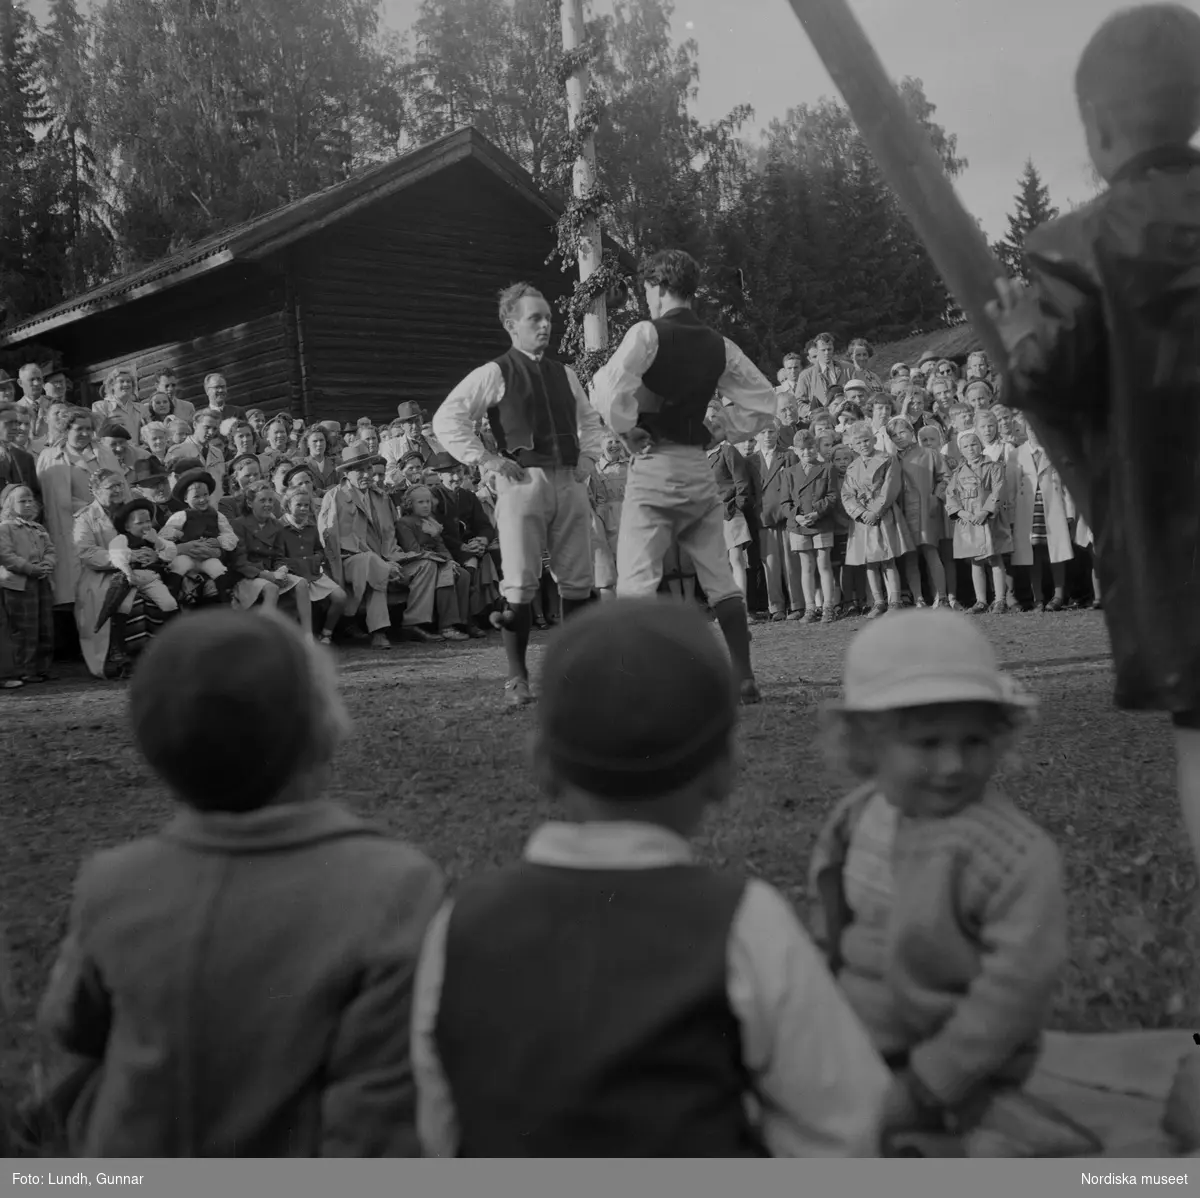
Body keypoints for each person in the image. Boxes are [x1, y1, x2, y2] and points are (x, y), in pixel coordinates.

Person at [411, 597, 890, 1156]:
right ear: (724, 771)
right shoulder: (746, 923)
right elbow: (848, 1127)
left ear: (541, 763)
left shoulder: (459, 923)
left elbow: (439, 1125)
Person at [36, 609, 444, 1155]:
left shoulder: (110, 883)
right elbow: (377, 1119)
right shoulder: (394, 885)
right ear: (326, 734)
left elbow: (70, 1028)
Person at [984, 3, 1200, 864]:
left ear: (1098, 126)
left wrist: (1016, 339)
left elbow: (1050, 379)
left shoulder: (1079, 248)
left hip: (1173, 531)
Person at [810, 610, 1076, 1156]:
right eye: (928, 743)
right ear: (866, 745)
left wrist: (931, 1082)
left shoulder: (1013, 855)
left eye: (974, 741)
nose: (953, 764)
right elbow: (828, 928)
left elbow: (1014, 990)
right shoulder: (855, 819)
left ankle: (973, 1122)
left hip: (958, 1060)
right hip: (853, 1044)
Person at [589, 250, 777, 704]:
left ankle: (640, 677)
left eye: (646, 291)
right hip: (697, 465)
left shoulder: (647, 332)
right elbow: (764, 401)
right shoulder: (719, 344)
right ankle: (745, 676)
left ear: (655, 288)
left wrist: (628, 428)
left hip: (655, 464)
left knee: (636, 577)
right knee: (717, 573)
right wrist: (722, 427)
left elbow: (605, 387)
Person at [432, 282, 605, 708]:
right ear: (512, 325)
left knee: (579, 582)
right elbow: (447, 419)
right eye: (535, 319)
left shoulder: (565, 372)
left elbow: (590, 421)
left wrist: (589, 459)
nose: (545, 325)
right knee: (521, 583)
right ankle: (517, 679)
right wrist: (487, 460)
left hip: (568, 480)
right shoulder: (494, 372)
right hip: (523, 483)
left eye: (547, 317)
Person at [317, 442, 416, 651]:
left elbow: (391, 533)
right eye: (359, 470)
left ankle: (411, 626)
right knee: (371, 562)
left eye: (368, 468)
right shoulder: (334, 497)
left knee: (381, 567)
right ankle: (378, 632)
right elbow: (328, 538)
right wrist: (384, 565)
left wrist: (390, 560)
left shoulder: (380, 496)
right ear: (347, 474)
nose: (366, 474)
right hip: (346, 560)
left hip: (379, 559)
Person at [36, 411, 127, 609]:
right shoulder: (49, 456)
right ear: (66, 430)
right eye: (79, 429)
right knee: (71, 590)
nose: (85, 433)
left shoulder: (103, 453)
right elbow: (44, 496)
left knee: (105, 588)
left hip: (102, 524)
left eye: (89, 429)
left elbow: (120, 487)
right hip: (65, 527)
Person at [841, 421, 912, 619]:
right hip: (862, 520)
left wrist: (875, 511)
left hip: (883, 514)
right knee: (870, 562)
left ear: (873, 440)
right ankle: (879, 601)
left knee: (888, 559)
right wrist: (860, 513)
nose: (863, 444)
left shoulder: (887, 459)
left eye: (866, 440)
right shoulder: (852, 467)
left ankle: (895, 600)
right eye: (858, 442)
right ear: (852, 446)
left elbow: (891, 486)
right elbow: (847, 494)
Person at [1011, 424, 1075, 613]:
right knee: (1033, 556)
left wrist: (1069, 512)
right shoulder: (1016, 454)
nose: (1034, 431)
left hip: (1053, 510)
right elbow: (1011, 488)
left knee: (1056, 553)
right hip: (1027, 512)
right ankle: (1037, 597)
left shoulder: (1056, 451)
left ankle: (1058, 595)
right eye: (1030, 428)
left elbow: (1067, 485)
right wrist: (1010, 516)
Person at [888, 416, 949, 609]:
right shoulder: (891, 459)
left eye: (902, 432)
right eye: (894, 435)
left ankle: (943, 596)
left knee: (931, 552)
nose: (899, 437)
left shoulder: (929, 454)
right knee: (910, 556)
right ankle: (918, 598)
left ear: (912, 432)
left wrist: (935, 497)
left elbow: (946, 477)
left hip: (925, 510)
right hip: (902, 512)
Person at [780, 430, 840, 623]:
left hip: (821, 523)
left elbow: (832, 496)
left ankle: (829, 607)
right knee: (806, 567)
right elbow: (784, 502)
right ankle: (810, 608)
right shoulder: (789, 473)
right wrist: (796, 517)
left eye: (810, 448)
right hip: (799, 526)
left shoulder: (827, 468)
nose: (807, 452)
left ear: (816, 447)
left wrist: (817, 512)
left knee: (824, 564)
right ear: (796, 451)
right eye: (802, 449)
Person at [0, 484, 56, 689]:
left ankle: (41, 667)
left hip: (41, 581)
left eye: (31, 499)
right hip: (18, 583)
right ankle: (24, 668)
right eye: (22, 501)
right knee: (24, 627)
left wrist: (48, 564)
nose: (28, 503)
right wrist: (29, 568)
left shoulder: (38, 528)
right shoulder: (5, 528)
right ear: (9, 504)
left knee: (44, 624)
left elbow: (50, 550)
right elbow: (5, 555)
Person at [945, 432, 1007, 615]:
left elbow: (999, 489)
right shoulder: (957, 473)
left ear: (980, 445)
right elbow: (950, 496)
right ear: (961, 451)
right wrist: (962, 513)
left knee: (995, 558)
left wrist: (986, 511)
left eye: (973, 444)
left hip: (988, 519)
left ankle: (1000, 600)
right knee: (975, 561)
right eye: (965, 446)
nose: (970, 449)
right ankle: (981, 601)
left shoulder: (993, 467)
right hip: (968, 521)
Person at [278, 488, 348, 645]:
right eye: (299, 505)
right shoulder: (279, 527)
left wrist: (317, 558)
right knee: (298, 603)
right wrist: (295, 565)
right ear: (288, 505)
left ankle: (326, 634)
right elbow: (279, 557)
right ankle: (304, 638)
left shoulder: (311, 525)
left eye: (306, 505)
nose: (303, 509)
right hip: (293, 575)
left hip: (313, 571)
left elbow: (319, 549)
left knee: (340, 597)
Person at [749, 425, 803, 622]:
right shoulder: (751, 460)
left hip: (787, 516)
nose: (767, 436)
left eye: (771, 431)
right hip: (764, 517)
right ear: (756, 435)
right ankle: (776, 607)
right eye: (762, 432)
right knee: (770, 565)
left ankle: (797, 604)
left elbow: (797, 485)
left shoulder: (788, 455)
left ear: (778, 432)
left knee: (792, 563)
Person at [159, 470, 238, 602]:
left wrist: (219, 542)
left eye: (205, 495)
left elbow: (231, 536)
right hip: (187, 554)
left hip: (208, 556)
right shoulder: (181, 516)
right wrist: (176, 534)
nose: (202, 500)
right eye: (196, 497)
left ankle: (225, 600)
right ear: (186, 499)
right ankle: (172, 597)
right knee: (179, 565)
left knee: (218, 569)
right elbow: (164, 535)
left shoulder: (217, 516)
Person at [0, 402, 40, 504]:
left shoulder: (25, 458)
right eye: (8, 423)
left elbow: (36, 494)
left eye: (15, 423)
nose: (15, 428)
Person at [91, 368, 143, 441]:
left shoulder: (140, 407)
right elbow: (99, 434)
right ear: (112, 385)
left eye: (129, 381)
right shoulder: (100, 406)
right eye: (121, 381)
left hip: (135, 451)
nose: (126, 384)